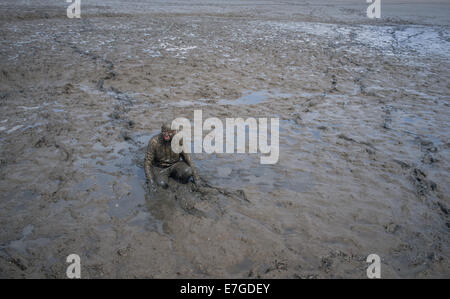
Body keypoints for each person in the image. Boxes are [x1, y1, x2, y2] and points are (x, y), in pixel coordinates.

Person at [144, 123, 199, 191]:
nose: (166, 134)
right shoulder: (154, 142)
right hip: (160, 168)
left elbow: (188, 158)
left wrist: (196, 178)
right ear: (161, 131)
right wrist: (150, 181)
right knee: (162, 184)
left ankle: (176, 179)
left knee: (188, 171)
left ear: (174, 132)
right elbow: (147, 162)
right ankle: (165, 179)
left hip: (175, 165)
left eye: (169, 132)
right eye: (164, 132)